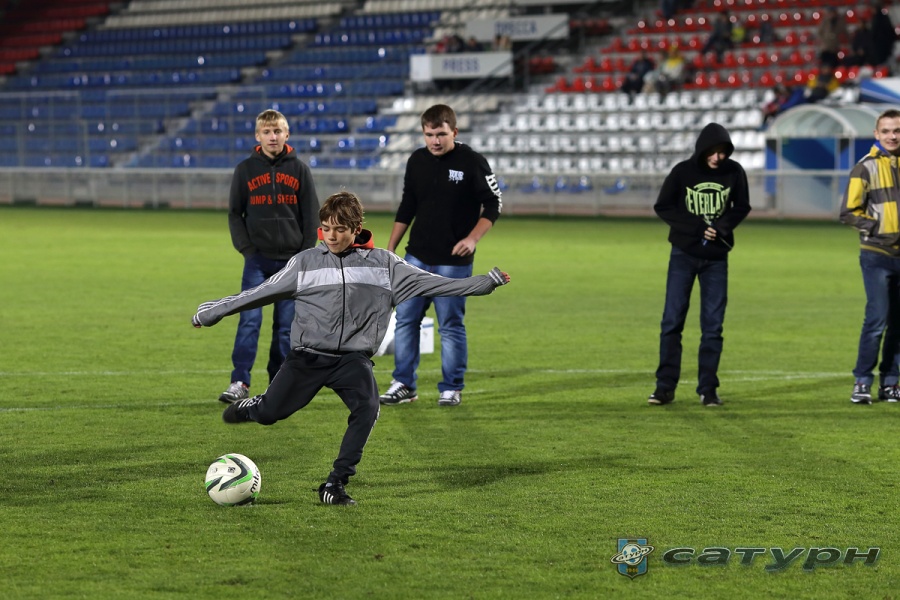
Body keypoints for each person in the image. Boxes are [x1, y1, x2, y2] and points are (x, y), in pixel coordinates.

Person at [192, 191, 512, 505]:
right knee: (270, 414)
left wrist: (485, 282)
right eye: (325, 229)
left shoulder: (386, 266)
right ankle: (255, 407)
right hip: (307, 357)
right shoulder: (305, 263)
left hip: (352, 360)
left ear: (357, 229)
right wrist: (211, 312)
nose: (331, 236)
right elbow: (258, 293)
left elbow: (438, 283)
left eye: (340, 229)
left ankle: (335, 483)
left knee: (368, 408)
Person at [378, 104, 503, 407]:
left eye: (441, 134)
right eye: (429, 134)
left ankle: (451, 387)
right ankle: (404, 384)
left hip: (452, 262)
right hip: (415, 258)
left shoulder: (472, 161)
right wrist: (391, 247)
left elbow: (493, 203)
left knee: (450, 325)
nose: (435, 140)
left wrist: (472, 239)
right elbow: (407, 205)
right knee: (406, 320)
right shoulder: (417, 160)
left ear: (454, 132)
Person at [218, 109, 320, 405]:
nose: (272, 137)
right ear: (257, 136)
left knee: (285, 327)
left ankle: (278, 384)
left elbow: (311, 216)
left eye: (277, 131)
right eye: (267, 132)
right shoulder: (245, 170)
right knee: (249, 321)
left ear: (287, 134)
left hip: (291, 262)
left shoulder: (300, 170)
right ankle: (240, 381)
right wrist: (248, 250)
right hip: (258, 261)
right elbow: (234, 214)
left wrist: (303, 255)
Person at [648, 123, 752, 407]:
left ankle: (708, 389)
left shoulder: (734, 172)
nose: (718, 157)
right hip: (682, 255)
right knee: (672, 322)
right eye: (713, 151)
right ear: (702, 149)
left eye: (723, 151)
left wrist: (721, 227)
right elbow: (663, 206)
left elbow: (742, 206)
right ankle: (664, 387)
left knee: (713, 327)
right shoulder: (682, 172)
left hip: (717, 259)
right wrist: (696, 227)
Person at [839, 109, 900, 404]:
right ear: (876, 134)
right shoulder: (864, 168)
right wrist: (877, 227)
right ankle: (862, 381)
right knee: (876, 321)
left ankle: (891, 382)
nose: (892, 136)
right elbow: (848, 212)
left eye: (897, 130)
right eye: (886, 131)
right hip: (876, 254)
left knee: (898, 325)